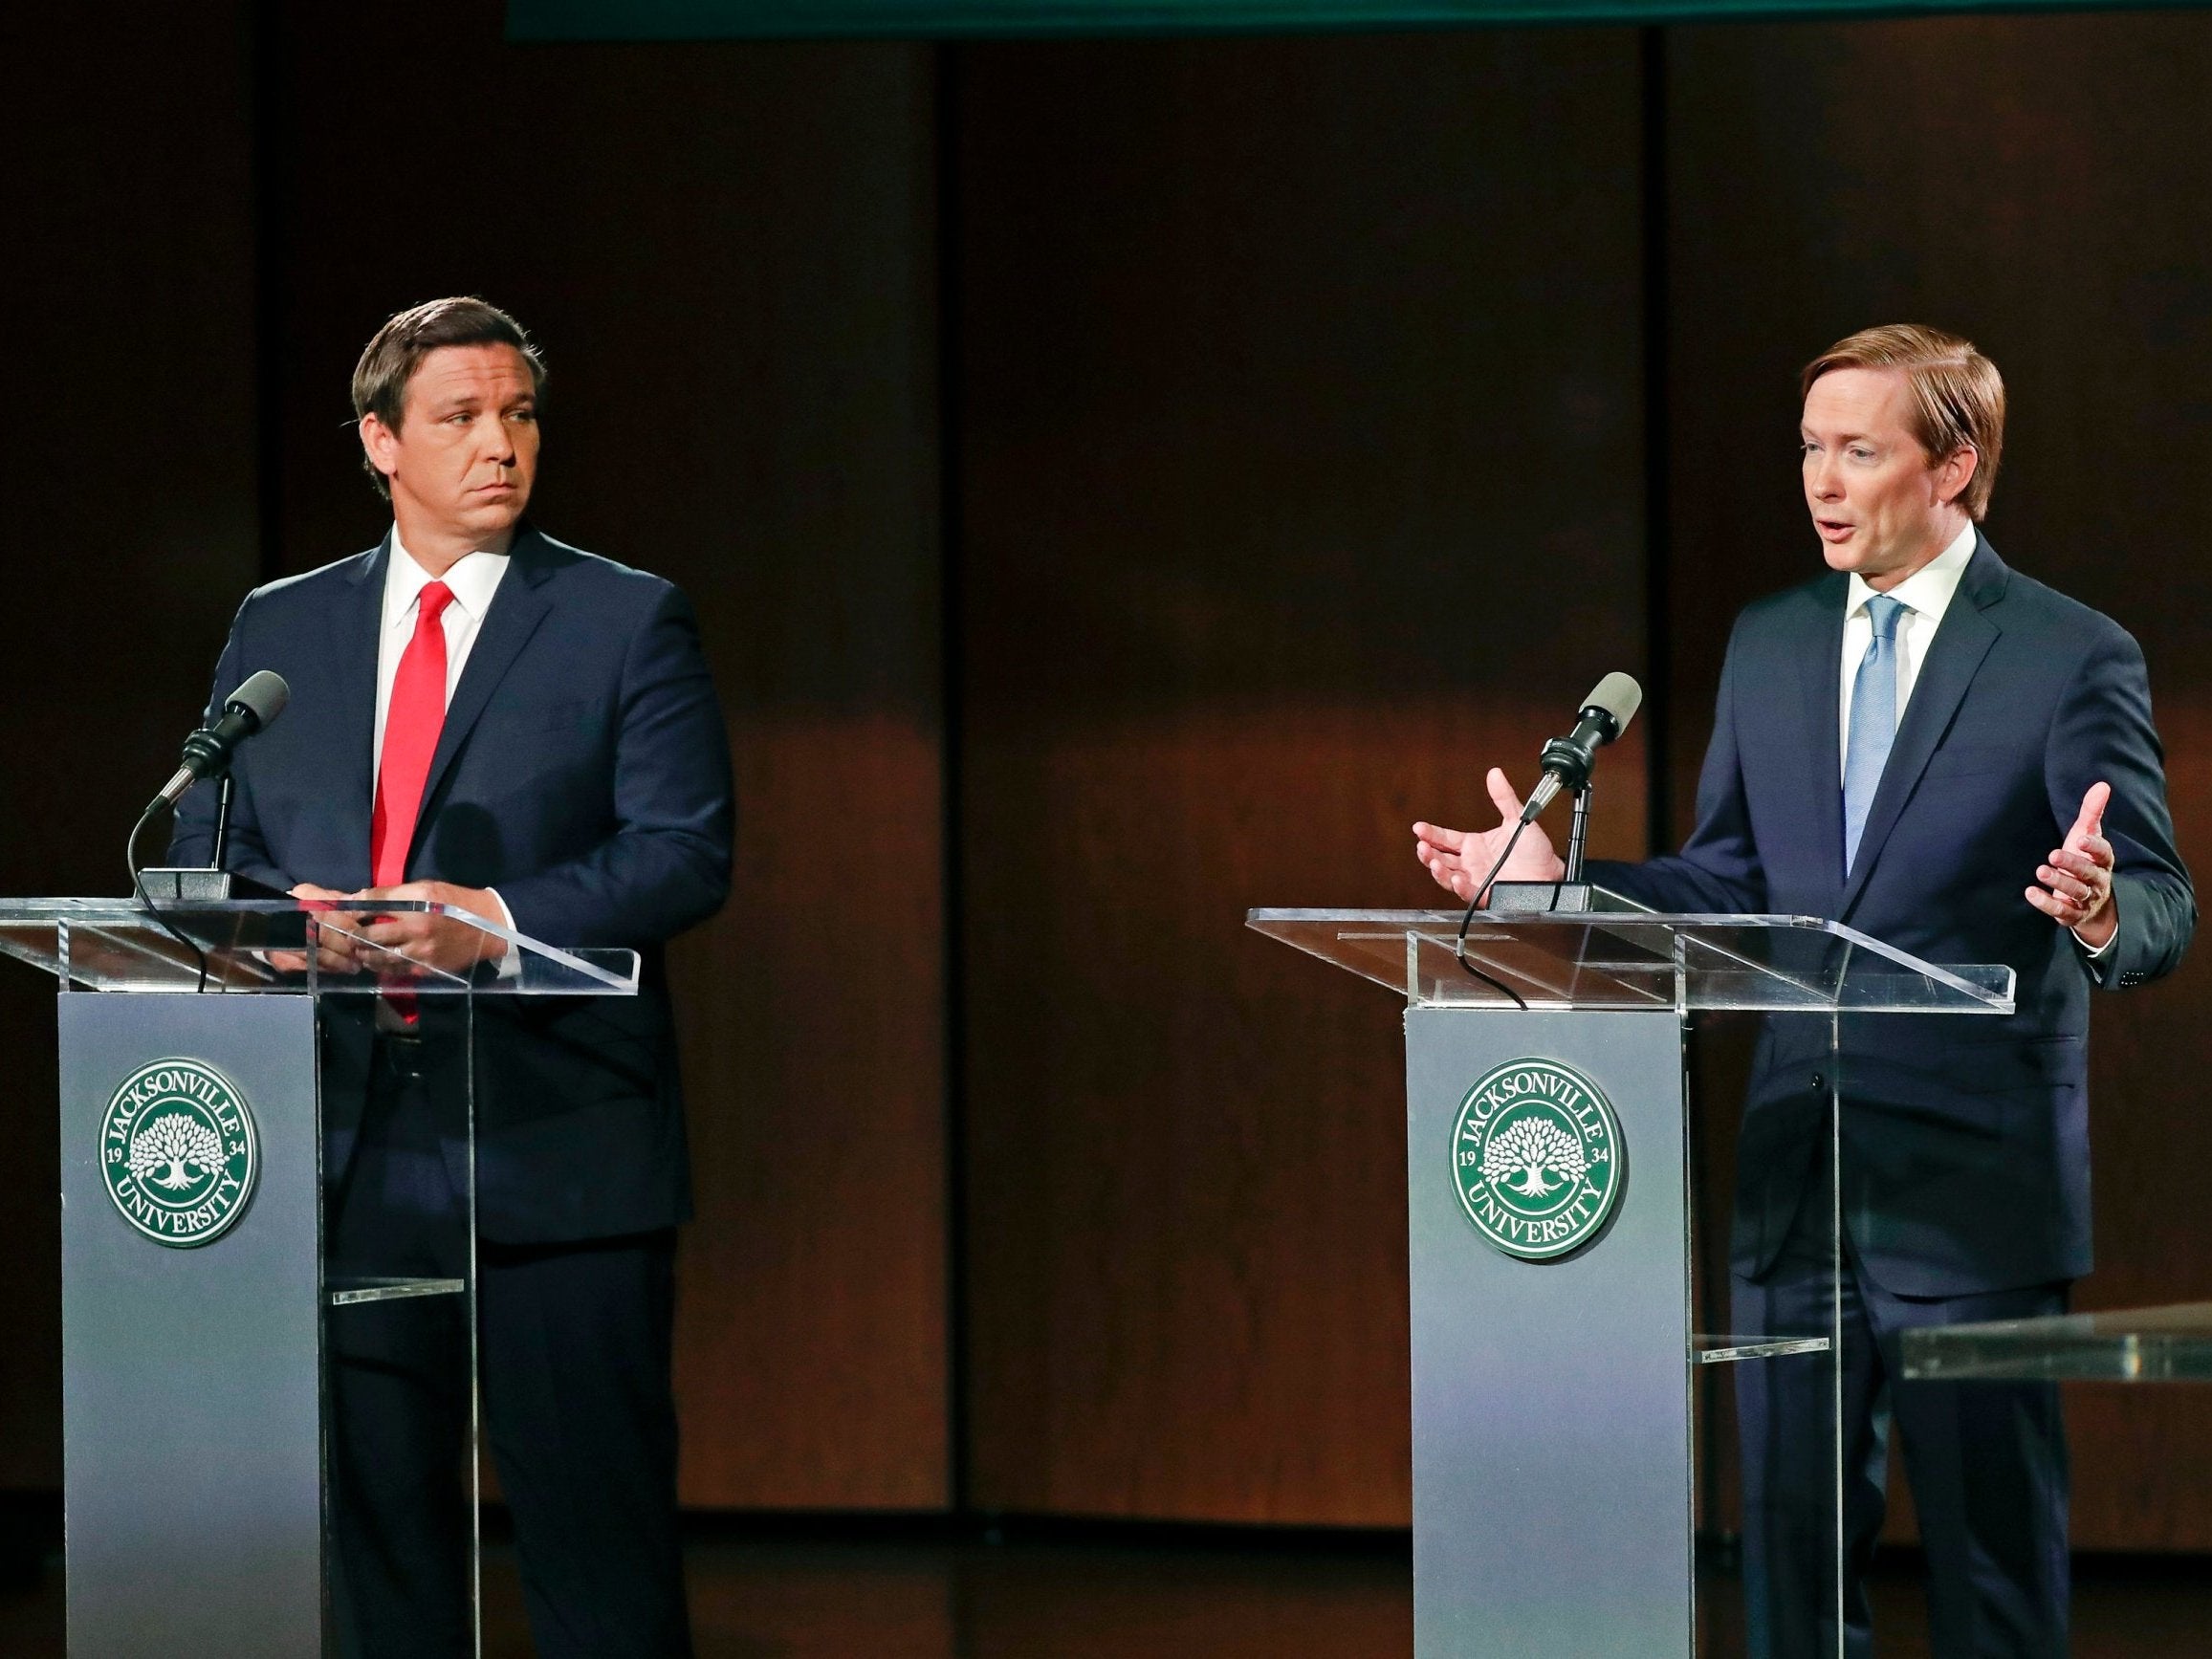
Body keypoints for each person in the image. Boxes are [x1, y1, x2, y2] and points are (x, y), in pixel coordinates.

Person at [1413, 324, 2192, 1658]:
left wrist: (2103, 904)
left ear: (1951, 465)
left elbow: (2162, 905)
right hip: (1792, 1181)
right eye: (1807, 451)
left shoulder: (2067, 652)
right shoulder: (1769, 642)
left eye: (1856, 451)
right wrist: (1560, 889)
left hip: (1969, 1190)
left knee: (1990, 1559)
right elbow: (1729, 882)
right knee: (1784, 1546)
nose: (1820, 483)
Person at [171, 295, 733, 1658]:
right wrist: (283, 927)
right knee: (384, 1550)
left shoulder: (620, 619)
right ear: (380, 442)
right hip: (348, 1147)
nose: (501, 446)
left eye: (520, 414)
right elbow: (205, 852)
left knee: (594, 1547)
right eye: (462, 418)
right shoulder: (281, 628)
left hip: (558, 1140)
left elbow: (683, 854)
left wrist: (494, 919)